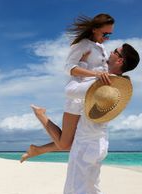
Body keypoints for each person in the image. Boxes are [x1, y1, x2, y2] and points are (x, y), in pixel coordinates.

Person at [24, 44, 140, 194]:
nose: (109, 54)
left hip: (86, 145)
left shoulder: (98, 82)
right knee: (95, 190)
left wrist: (84, 62)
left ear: (120, 61)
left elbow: (71, 87)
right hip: (101, 143)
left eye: (114, 52)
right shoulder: (119, 84)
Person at [25, 13, 115, 160]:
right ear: (94, 29)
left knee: (77, 141)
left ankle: (37, 150)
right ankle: (41, 115)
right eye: (105, 33)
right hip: (76, 98)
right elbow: (69, 68)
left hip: (91, 99)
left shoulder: (101, 47)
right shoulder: (82, 44)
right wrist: (96, 74)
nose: (106, 38)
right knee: (65, 144)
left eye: (109, 35)